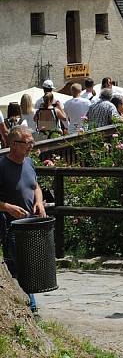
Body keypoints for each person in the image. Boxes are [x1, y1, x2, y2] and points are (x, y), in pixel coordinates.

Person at [0, 126, 46, 313]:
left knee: (25, 266)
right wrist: (7, 207)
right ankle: (31, 307)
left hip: (30, 224)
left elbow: (35, 186)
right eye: (27, 142)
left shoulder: (29, 163)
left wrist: (39, 202)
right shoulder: (1, 166)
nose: (30, 146)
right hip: (9, 226)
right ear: (13, 144)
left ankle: (22, 305)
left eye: (31, 142)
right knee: (20, 266)